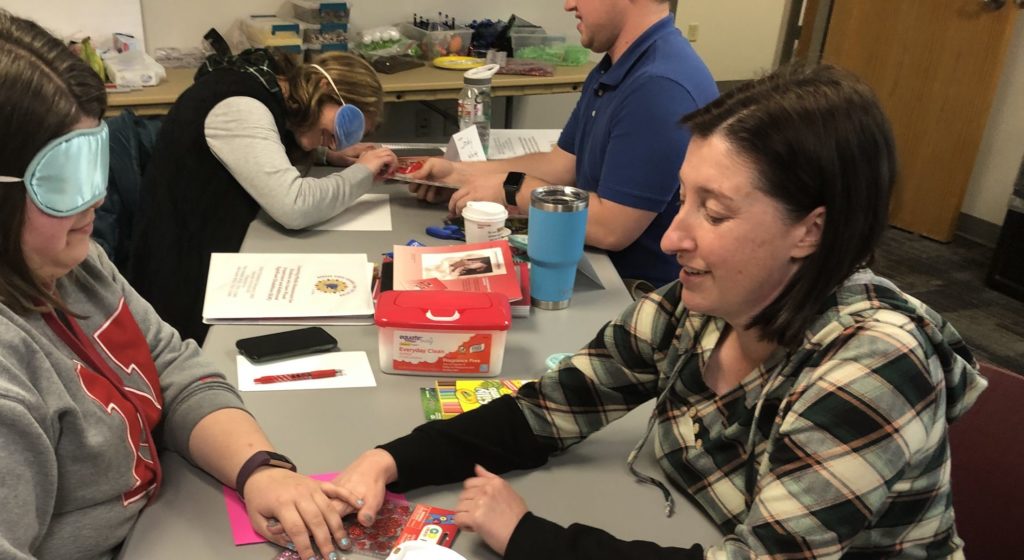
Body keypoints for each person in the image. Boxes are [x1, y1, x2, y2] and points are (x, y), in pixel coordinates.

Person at [320, 64, 987, 558]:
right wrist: (389, 460)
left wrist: (528, 537)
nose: (672, 239)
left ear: (810, 231)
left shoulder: (874, 364)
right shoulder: (704, 303)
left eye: (715, 212)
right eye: (683, 200)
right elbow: (550, 407)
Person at [0, 12, 356, 560]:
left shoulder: (79, 265)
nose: (96, 199)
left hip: (166, 521)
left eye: (95, 164)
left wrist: (261, 469)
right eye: (66, 178)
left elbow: (173, 368)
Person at [407, 0, 718, 291]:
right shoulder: (618, 65)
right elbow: (562, 165)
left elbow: (613, 228)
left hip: (627, 290)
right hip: (588, 264)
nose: (569, 4)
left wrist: (512, 189)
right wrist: (457, 173)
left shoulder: (659, 86)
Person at [128, 48, 397, 344]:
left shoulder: (269, 91)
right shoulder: (242, 106)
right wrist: (364, 173)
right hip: (182, 286)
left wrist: (326, 152)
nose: (342, 139)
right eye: (348, 125)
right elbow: (295, 206)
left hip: (213, 253)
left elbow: (266, 147)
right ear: (323, 88)